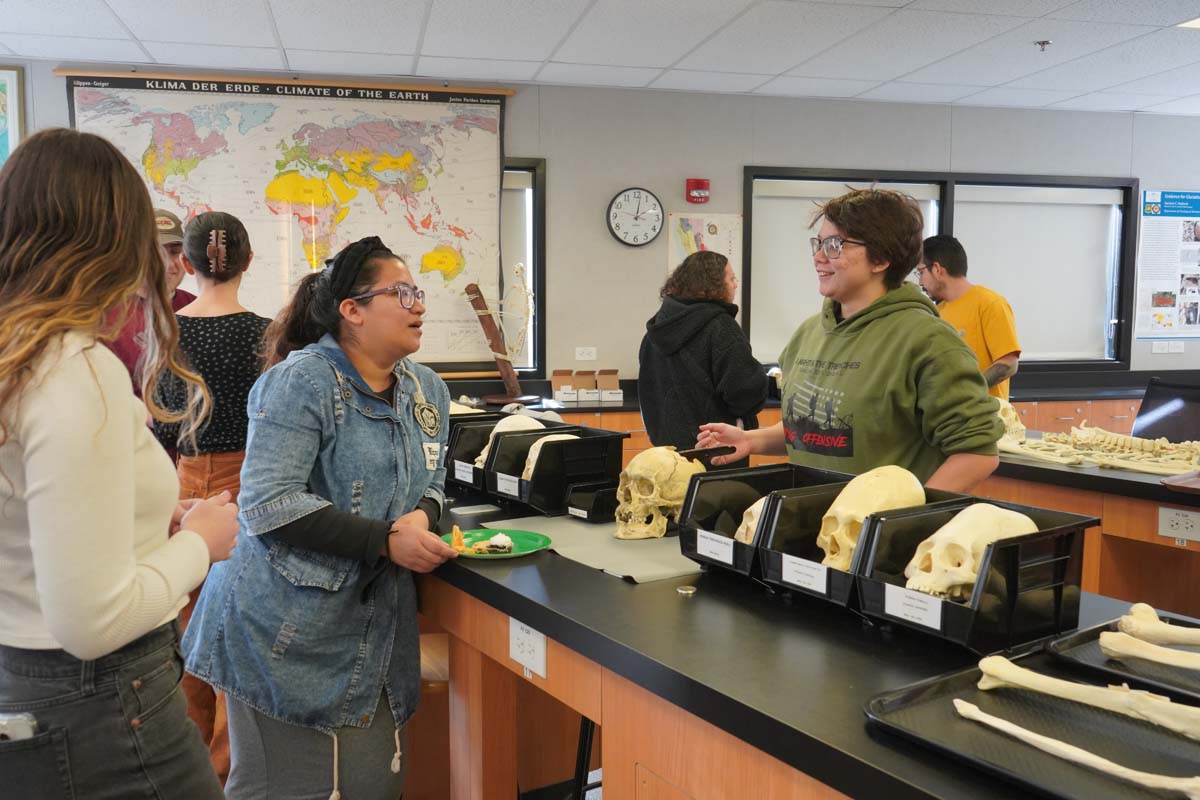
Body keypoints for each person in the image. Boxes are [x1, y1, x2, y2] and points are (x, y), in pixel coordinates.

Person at [0, 128, 238, 799]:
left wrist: (154, 520)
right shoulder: (78, 372)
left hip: (32, 683)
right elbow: (91, 620)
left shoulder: (16, 358)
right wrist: (199, 543)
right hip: (102, 700)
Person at [182, 236, 459, 799]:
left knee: (370, 781)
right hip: (283, 628)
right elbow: (269, 503)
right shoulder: (300, 383)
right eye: (401, 292)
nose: (418, 305)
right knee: (285, 786)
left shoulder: (426, 388)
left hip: (375, 626)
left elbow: (433, 477)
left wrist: (423, 519)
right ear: (351, 311)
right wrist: (385, 540)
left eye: (419, 292)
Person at [698, 188, 1002, 492]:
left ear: (881, 258)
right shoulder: (808, 335)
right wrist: (751, 440)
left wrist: (904, 518)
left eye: (834, 245)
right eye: (818, 244)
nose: (818, 257)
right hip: (810, 524)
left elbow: (976, 453)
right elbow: (811, 429)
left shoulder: (929, 342)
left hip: (884, 536)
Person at [152, 211, 270, 785]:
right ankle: (237, 773)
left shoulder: (167, 332)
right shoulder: (274, 335)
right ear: (249, 261)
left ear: (187, 264)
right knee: (244, 639)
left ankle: (193, 773)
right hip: (257, 487)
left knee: (189, 634)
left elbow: (158, 432)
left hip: (184, 489)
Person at [638, 251, 768, 464]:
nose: (736, 284)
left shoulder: (655, 332)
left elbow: (648, 395)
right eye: (731, 278)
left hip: (668, 457)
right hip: (718, 451)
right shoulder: (721, 327)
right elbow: (746, 395)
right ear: (713, 285)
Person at [104, 208, 198, 395]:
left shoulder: (197, 306)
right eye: (156, 252)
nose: (169, 265)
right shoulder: (106, 316)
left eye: (175, 252)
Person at [916, 235, 1021, 401]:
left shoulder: (990, 303)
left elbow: (1008, 364)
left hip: (985, 420)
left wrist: (967, 392)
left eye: (921, 272)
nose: (920, 282)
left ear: (937, 269)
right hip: (946, 417)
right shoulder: (935, 313)